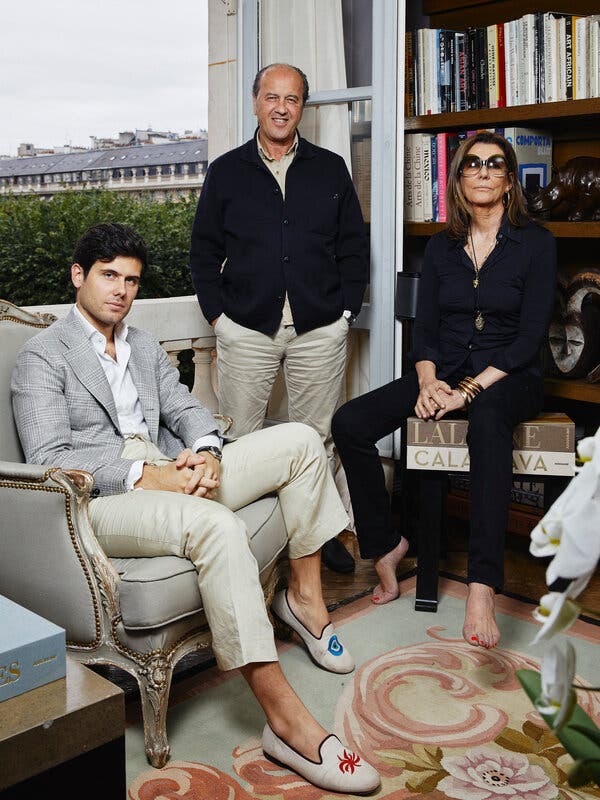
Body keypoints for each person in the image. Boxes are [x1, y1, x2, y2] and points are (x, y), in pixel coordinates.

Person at [11, 223, 380, 794]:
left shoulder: (143, 346)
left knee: (303, 442)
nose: (121, 290)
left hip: (170, 470)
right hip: (103, 497)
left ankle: (304, 601)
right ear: (78, 276)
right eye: (108, 275)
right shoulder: (42, 356)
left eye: (131, 280)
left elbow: (186, 409)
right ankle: (284, 720)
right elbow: (50, 458)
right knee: (215, 523)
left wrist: (206, 453)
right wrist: (145, 473)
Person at [332, 131, 557, 649]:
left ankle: (482, 584)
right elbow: (427, 328)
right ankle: (387, 544)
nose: (482, 171)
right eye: (471, 164)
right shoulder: (440, 245)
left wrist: (470, 391)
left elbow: (528, 338)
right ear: (457, 179)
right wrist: (429, 380)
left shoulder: (537, 243)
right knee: (350, 423)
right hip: (444, 368)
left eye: (494, 164)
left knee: (488, 423)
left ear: (508, 178)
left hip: (508, 375)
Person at [189, 62, 369, 575]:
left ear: (302, 109)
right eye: (272, 97)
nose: (281, 108)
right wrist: (219, 318)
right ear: (255, 102)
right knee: (242, 440)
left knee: (316, 438)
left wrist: (345, 310)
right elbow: (203, 253)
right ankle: (251, 540)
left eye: (292, 99)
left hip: (319, 327)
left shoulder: (330, 167)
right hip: (245, 327)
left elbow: (354, 247)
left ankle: (317, 536)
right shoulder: (227, 170)